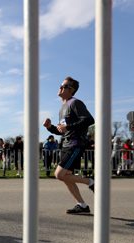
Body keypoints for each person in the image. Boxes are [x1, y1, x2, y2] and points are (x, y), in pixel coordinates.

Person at [43, 76, 95, 214]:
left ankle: (91, 182)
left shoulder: (75, 103)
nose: (60, 88)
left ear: (71, 90)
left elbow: (89, 119)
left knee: (59, 174)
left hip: (75, 144)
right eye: (61, 85)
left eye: (64, 86)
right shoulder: (62, 107)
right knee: (67, 177)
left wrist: (69, 127)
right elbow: (63, 131)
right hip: (66, 144)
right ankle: (82, 205)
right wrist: (50, 127)